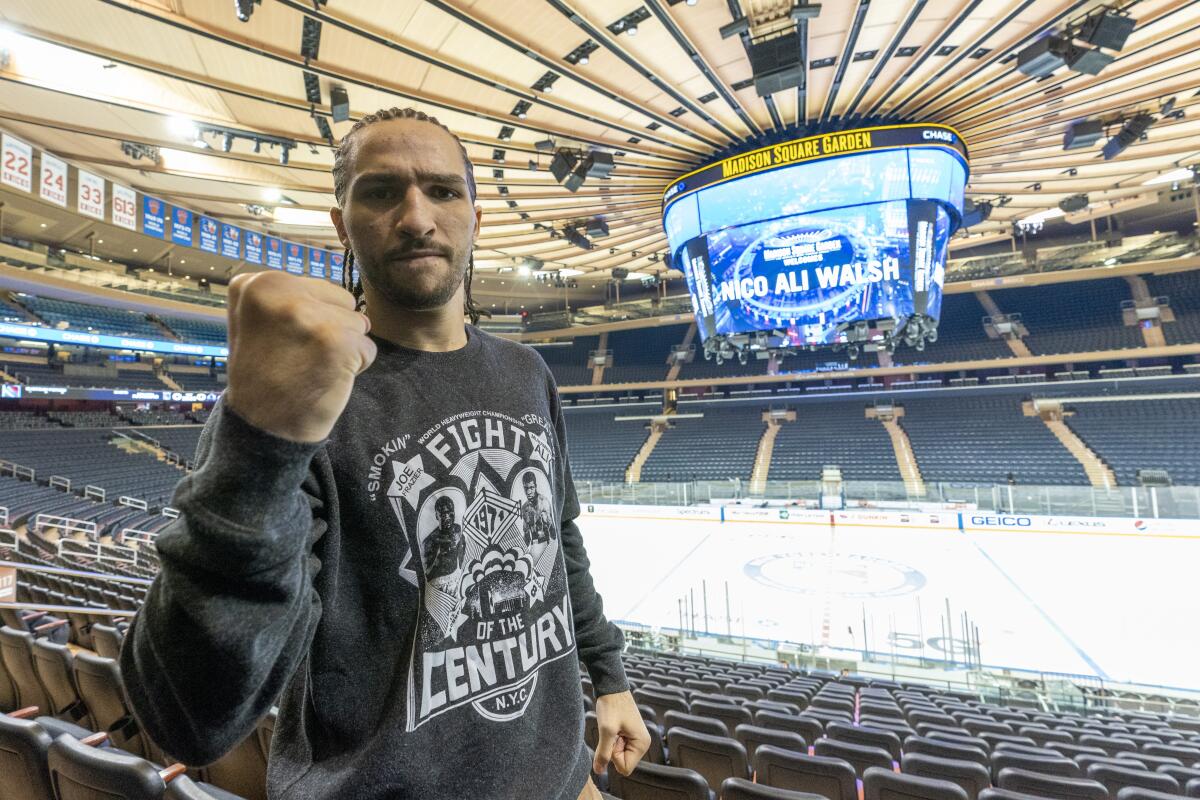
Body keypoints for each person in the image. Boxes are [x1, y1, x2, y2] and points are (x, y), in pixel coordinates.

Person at [121, 107, 649, 799]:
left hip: (559, 781)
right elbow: (189, 717)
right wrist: (259, 439)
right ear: (341, 223)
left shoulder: (527, 373)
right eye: (380, 191)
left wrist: (609, 678)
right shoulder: (305, 399)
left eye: (442, 191)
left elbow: (559, 541)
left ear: (475, 216)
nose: (416, 217)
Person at [520, 471, 554, 546]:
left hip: (547, 544)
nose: (528, 492)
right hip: (534, 547)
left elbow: (553, 531)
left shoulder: (544, 502)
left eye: (531, 488)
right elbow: (526, 536)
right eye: (526, 488)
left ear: (535, 486)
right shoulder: (524, 508)